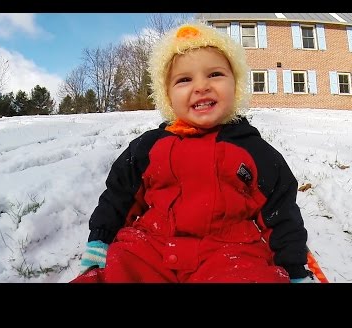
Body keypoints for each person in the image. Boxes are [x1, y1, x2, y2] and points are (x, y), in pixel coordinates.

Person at [71, 22, 313, 283]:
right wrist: (101, 238)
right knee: (121, 267)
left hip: (229, 252)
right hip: (152, 246)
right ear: (168, 96)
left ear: (236, 85)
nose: (201, 86)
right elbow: (119, 194)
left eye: (215, 74)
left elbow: (281, 212)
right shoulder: (149, 147)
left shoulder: (253, 150)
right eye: (184, 79)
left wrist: (294, 267)